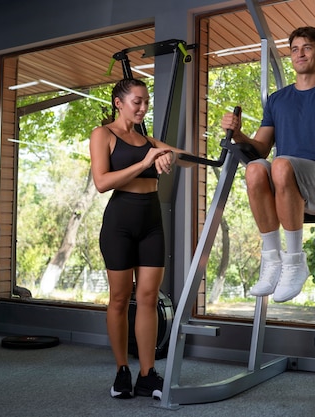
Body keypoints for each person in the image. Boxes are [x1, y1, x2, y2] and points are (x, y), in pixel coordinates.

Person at [221, 26, 315, 303]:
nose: (299, 54)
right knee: (255, 169)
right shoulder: (277, 101)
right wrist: (238, 133)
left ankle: (294, 262)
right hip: (286, 182)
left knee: (279, 164)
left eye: (307, 48)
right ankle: (272, 261)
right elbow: (260, 149)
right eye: (294, 49)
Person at [89, 78, 192, 399]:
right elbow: (102, 182)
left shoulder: (150, 140)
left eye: (146, 101)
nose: (143, 107)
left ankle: (148, 374)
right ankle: (122, 371)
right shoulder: (102, 134)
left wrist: (170, 156)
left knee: (149, 298)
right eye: (137, 101)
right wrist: (146, 161)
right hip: (119, 223)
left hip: (152, 223)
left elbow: (187, 157)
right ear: (119, 103)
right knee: (120, 299)